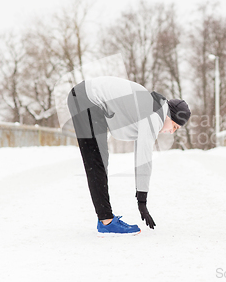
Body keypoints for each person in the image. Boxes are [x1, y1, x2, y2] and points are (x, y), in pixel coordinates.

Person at [67, 76, 191, 235]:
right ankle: (106, 221)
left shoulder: (152, 108)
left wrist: (141, 196)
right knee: (96, 159)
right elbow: (144, 157)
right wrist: (142, 201)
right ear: (170, 116)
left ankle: (105, 219)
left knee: (99, 158)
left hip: (85, 98)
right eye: (174, 126)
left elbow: (141, 147)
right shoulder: (155, 115)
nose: (172, 131)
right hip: (86, 99)